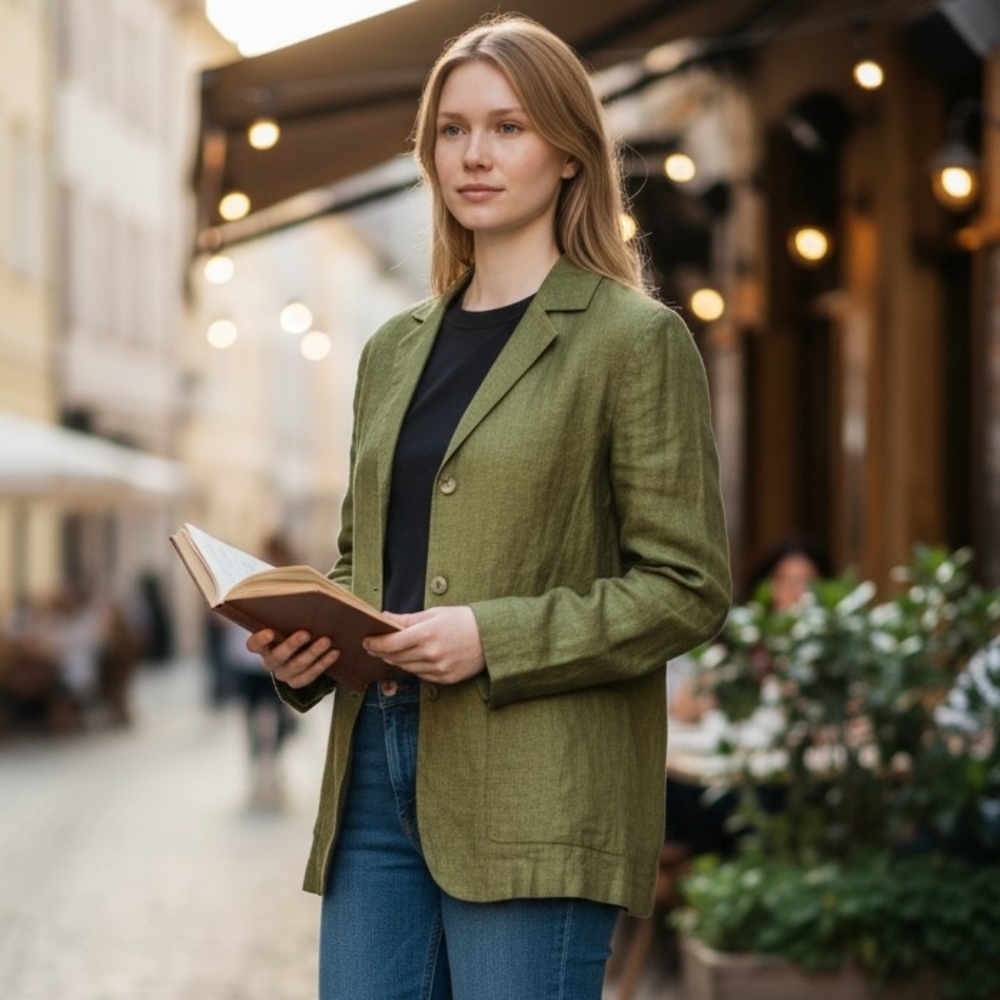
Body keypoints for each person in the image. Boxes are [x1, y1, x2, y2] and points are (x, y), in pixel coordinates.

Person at [249, 15, 731, 1000]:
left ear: (566, 154)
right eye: (452, 129)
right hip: (375, 771)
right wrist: (303, 639)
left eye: (507, 127)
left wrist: (492, 637)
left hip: (537, 785)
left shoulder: (631, 340)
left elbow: (687, 587)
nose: (473, 154)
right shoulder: (392, 348)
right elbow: (361, 561)